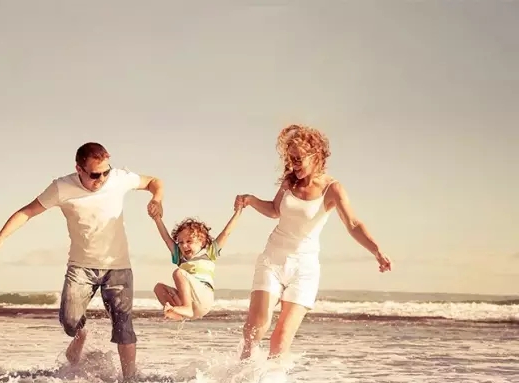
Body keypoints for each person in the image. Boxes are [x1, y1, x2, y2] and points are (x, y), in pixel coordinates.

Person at [0, 142, 164, 381]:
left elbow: (153, 181)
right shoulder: (61, 188)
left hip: (118, 267)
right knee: (69, 321)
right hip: (81, 267)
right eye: (95, 175)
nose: (102, 179)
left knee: (123, 326)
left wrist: (157, 199)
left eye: (106, 171)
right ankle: (81, 335)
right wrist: (0, 238)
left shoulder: (119, 179)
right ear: (79, 169)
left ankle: (130, 380)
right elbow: (27, 212)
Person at [236, 124, 392, 361]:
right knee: (256, 327)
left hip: (304, 268)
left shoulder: (332, 189)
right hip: (273, 260)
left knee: (281, 338)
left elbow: (352, 224)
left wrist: (377, 251)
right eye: (290, 159)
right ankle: (241, 372)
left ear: (316, 154)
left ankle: (270, 381)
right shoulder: (289, 182)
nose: (293, 165)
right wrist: (251, 200)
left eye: (298, 159)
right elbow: (275, 210)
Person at [151, 205, 242, 320]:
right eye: (180, 242)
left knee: (178, 273)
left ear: (202, 241)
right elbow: (166, 238)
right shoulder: (180, 257)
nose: (184, 246)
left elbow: (226, 233)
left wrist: (238, 211)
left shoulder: (209, 252)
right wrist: (157, 218)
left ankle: (186, 308)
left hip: (203, 298)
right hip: (189, 302)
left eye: (189, 241)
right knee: (158, 288)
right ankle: (177, 313)